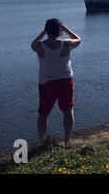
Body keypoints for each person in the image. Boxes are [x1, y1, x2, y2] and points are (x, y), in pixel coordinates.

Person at [31, 18, 81, 147]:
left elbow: (33, 44)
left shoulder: (39, 45)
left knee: (43, 113)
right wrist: (66, 29)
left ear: (47, 30)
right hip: (65, 81)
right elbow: (78, 39)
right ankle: (67, 141)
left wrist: (43, 32)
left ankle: (42, 141)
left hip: (46, 83)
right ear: (59, 30)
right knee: (67, 110)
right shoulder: (66, 44)